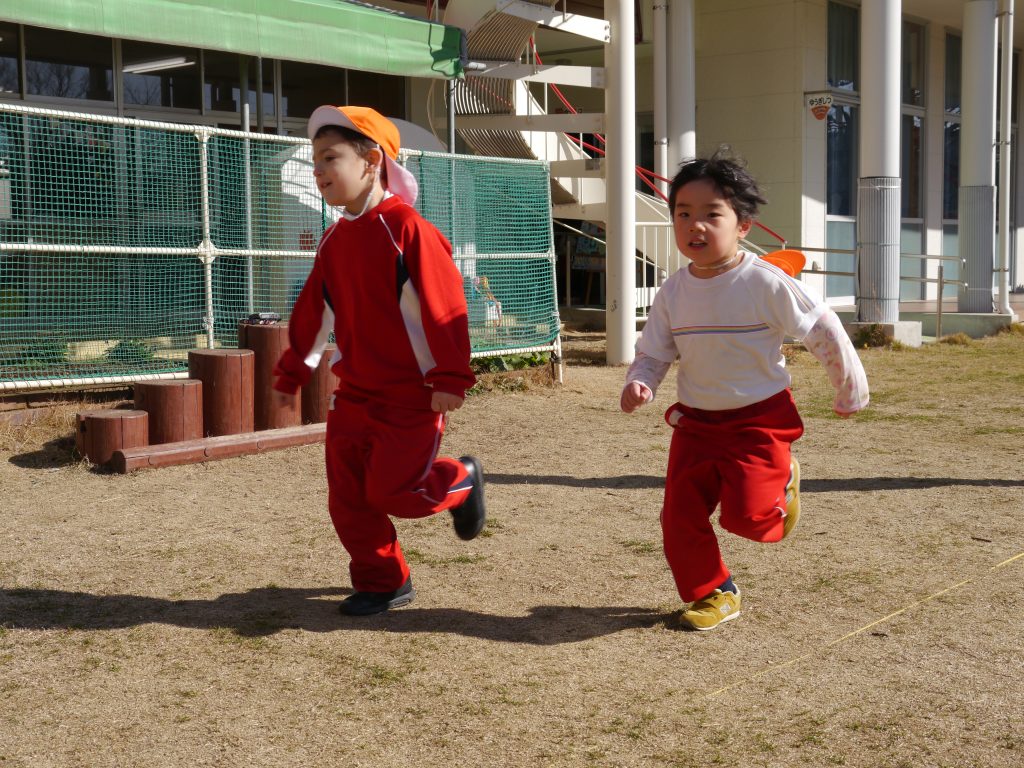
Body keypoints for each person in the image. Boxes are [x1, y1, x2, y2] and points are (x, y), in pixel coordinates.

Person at [620, 150, 869, 631]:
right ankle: (714, 592)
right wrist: (640, 381)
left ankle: (783, 480)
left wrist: (849, 390)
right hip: (696, 424)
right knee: (678, 516)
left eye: (712, 214)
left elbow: (823, 328)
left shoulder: (764, 281)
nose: (695, 225)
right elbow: (654, 352)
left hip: (758, 420)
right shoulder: (672, 292)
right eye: (683, 214)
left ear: (744, 225)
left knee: (752, 521)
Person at [273, 105, 485, 616]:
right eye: (315, 160)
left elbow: (445, 307)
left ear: (372, 162)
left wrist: (450, 375)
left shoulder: (408, 229)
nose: (319, 171)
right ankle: (384, 581)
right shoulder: (334, 240)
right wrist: (294, 367)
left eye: (330, 158)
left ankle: (461, 479)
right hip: (354, 394)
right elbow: (313, 312)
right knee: (348, 498)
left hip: (412, 396)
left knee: (396, 492)